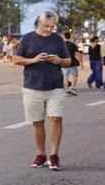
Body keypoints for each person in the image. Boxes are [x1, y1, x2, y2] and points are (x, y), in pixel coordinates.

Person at [13, 10, 71, 171]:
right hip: (32, 86)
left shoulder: (58, 40)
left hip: (55, 86)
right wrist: (33, 60)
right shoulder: (27, 38)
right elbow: (16, 59)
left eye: (52, 27)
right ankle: (41, 154)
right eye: (46, 26)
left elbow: (68, 61)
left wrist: (59, 60)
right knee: (37, 123)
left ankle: (54, 155)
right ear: (39, 21)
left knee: (56, 119)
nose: (48, 30)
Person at [62, 29, 81, 96]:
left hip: (64, 63)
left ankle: (66, 90)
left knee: (65, 77)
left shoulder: (62, 45)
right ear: (70, 37)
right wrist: (80, 61)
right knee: (75, 76)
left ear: (64, 37)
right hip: (72, 63)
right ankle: (72, 87)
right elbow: (77, 54)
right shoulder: (73, 45)